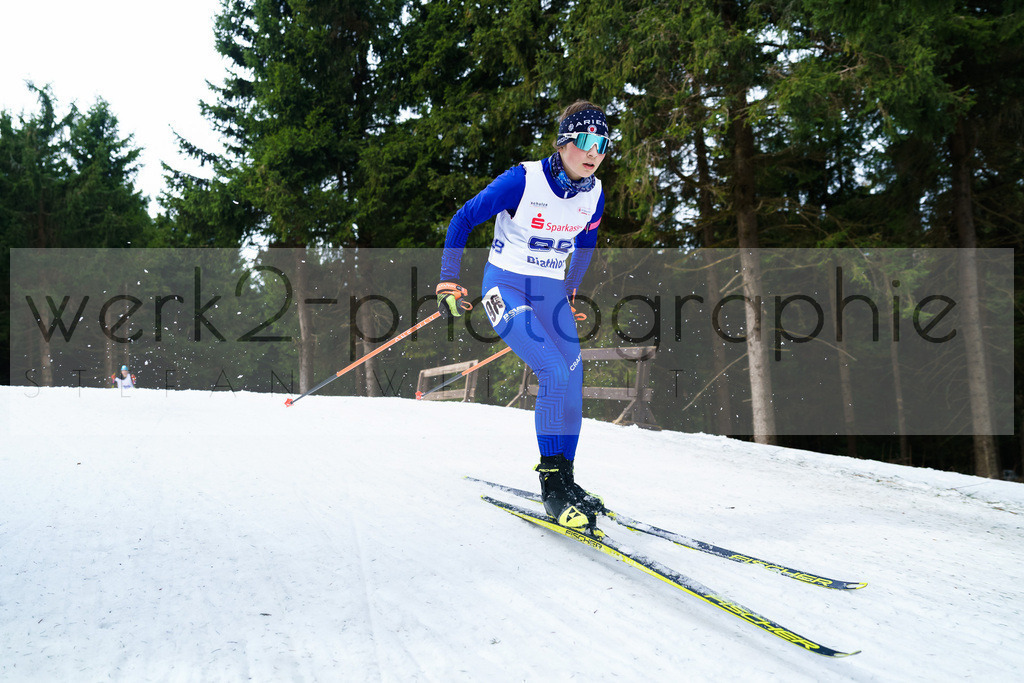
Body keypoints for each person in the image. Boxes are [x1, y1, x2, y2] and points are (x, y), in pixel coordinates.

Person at [436, 100, 609, 529]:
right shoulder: (522, 180)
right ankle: (551, 487)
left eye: (603, 144)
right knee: (552, 371)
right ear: (565, 142)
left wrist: (569, 291)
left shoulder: (595, 193)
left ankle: (568, 480)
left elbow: (585, 246)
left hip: (550, 293)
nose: (594, 152)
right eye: (586, 141)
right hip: (504, 288)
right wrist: (446, 280)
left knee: (571, 381)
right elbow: (462, 219)